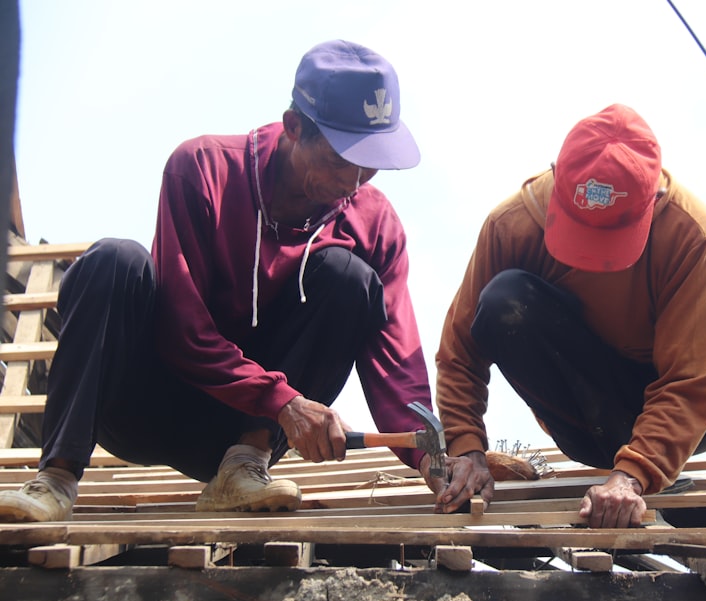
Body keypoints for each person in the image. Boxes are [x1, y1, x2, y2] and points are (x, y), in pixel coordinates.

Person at [0, 39, 432, 522]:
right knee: (113, 259)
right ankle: (55, 480)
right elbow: (181, 330)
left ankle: (243, 465)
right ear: (293, 128)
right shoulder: (202, 169)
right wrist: (284, 401)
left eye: (370, 164)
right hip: (145, 407)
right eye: (340, 159)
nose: (354, 182)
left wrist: (437, 457)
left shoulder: (375, 223)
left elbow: (398, 361)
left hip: (246, 432)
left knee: (350, 278)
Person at [429, 103, 706, 528]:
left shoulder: (692, 233)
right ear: (557, 176)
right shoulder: (512, 225)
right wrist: (466, 445)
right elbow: (459, 355)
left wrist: (633, 475)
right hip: (591, 413)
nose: (592, 258)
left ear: (654, 197)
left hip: (697, 405)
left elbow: (689, 382)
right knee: (503, 298)